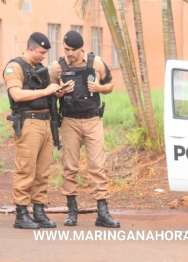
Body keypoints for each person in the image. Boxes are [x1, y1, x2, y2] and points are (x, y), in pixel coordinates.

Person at [49, 30, 120, 228]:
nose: (69, 54)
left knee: (97, 166)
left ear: (81, 49)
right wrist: (60, 92)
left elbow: (110, 85)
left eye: (73, 50)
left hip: (92, 120)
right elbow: (48, 92)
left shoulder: (96, 62)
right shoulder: (57, 67)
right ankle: (72, 211)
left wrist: (99, 88)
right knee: (69, 166)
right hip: (70, 121)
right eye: (66, 50)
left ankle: (102, 212)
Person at [3, 32, 63, 229]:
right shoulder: (15, 67)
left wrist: (56, 92)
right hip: (29, 123)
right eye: (41, 52)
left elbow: (45, 95)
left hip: (46, 123)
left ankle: (38, 210)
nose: (43, 56)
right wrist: (46, 91)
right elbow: (17, 94)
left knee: (42, 171)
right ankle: (21, 213)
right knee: (26, 168)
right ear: (30, 49)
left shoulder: (39, 69)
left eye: (45, 53)